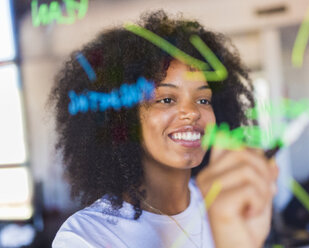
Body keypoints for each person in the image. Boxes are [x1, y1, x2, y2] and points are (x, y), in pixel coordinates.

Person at [50, 10, 278, 248]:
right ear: (124, 119)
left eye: (203, 100)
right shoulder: (85, 237)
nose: (192, 112)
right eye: (166, 99)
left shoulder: (224, 201)